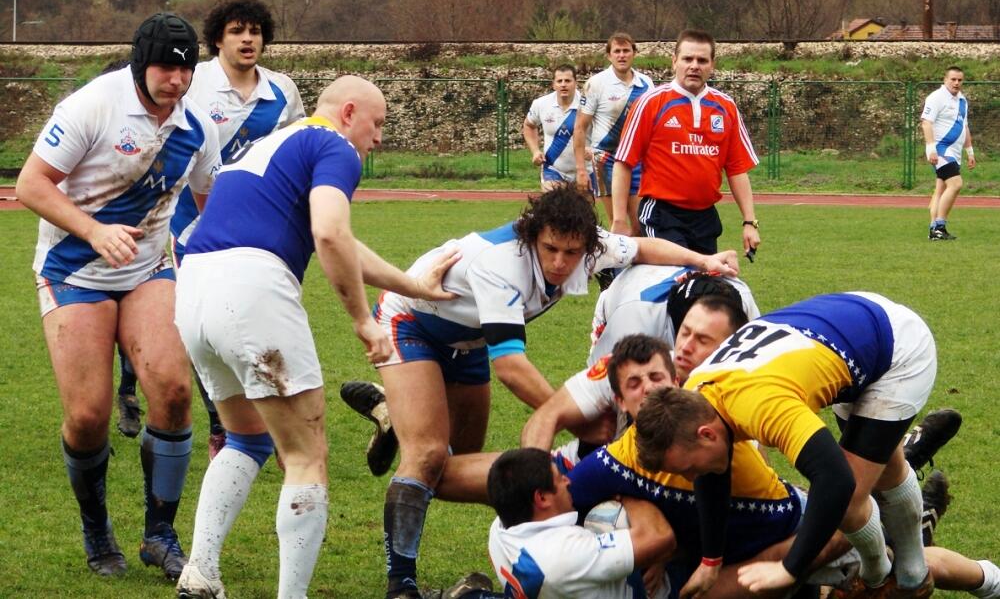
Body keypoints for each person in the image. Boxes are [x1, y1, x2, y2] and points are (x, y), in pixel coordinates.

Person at [371, 185, 740, 599]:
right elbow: (511, 366)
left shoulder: (588, 246)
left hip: (471, 339)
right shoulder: (501, 263)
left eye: (572, 253)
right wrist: (575, 416)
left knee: (454, 467)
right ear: (532, 237)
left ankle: (395, 418)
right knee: (427, 456)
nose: (562, 263)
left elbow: (640, 247)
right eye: (551, 250)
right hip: (411, 323)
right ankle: (400, 585)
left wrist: (704, 259)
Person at [171, 75, 459, 599]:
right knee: (306, 456)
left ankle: (200, 572)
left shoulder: (271, 142)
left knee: (245, 438)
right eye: (378, 124)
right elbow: (329, 232)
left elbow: (340, 240)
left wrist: (411, 284)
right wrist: (361, 320)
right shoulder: (334, 144)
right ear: (349, 113)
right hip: (253, 287)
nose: (378, 139)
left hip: (194, 291)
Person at [15, 12, 219, 579]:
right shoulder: (93, 105)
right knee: (87, 416)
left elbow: (213, 207)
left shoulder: (198, 128)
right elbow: (29, 184)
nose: (175, 81)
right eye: (164, 67)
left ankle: (160, 532)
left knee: (174, 392)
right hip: (73, 268)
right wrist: (94, 230)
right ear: (140, 61)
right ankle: (96, 527)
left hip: (149, 266)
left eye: (186, 70)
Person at [634, 292, 936, 597]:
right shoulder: (695, 397)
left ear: (707, 434)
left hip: (897, 348)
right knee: (885, 468)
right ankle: (920, 574)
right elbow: (711, 474)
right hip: (847, 325)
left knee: (852, 495)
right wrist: (711, 560)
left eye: (687, 468)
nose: (690, 477)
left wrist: (789, 567)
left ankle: (885, 580)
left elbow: (835, 480)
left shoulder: (760, 405)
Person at [113, 0, 307, 458]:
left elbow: (298, 147)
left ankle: (263, 423)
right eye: (238, 30)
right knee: (193, 320)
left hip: (253, 225)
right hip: (188, 223)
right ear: (217, 38)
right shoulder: (192, 84)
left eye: (256, 31)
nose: (248, 39)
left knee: (239, 315)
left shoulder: (281, 91)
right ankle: (219, 425)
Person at [520, 270, 757, 455]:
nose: (685, 346)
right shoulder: (627, 352)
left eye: (703, 339)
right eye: (685, 332)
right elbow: (547, 416)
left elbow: (753, 457)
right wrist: (536, 482)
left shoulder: (740, 378)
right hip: (624, 299)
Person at [612, 29, 760, 256]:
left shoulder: (726, 107)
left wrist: (749, 222)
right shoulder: (651, 103)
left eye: (702, 60)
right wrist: (620, 219)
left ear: (712, 65)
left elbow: (737, 169)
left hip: (705, 218)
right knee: (677, 279)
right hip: (662, 214)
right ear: (674, 62)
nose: (694, 66)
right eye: (687, 59)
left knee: (703, 285)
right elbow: (623, 162)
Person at [487, 447, 674, 598]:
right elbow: (660, 538)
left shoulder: (498, 532)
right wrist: (627, 494)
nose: (568, 481)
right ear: (542, 498)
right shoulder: (568, 553)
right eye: (560, 477)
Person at [573, 32, 654, 233]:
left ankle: (638, 264)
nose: (622, 55)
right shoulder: (596, 83)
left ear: (634, 53)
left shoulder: (646, 84)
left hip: (636, 159)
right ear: (609, 55)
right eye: (617, 51)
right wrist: (581, 169)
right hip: (606, 159)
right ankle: (615, 265)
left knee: (639, 224)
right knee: (617, 224)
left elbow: (652, 126)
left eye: (626, 50)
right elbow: (580, 127)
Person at [922, 66, 975, 241]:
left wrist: (970, 151)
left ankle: (934, 230)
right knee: (956, 184)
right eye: (953, 79)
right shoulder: (936, 97)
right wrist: (931, 149)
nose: (956, 83)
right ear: (945, 80)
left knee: (940, 190)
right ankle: (940, 226)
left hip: (955, 152)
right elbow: (926, 123)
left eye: (960, 80)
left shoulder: (962, 101)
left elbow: (964, 127)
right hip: (941, 150)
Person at [523, 64, 594, 192]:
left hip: (584, 169)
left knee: (583, 210)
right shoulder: (541, 104)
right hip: (553, 169)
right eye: (559, 81)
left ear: (575, 83)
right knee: (552, 208)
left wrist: (594, 149)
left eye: (567, 81)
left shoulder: (588, 104)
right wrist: (535, 151)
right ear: (553, 84)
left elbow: (604, 129)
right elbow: (529, 125)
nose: (563, 84)